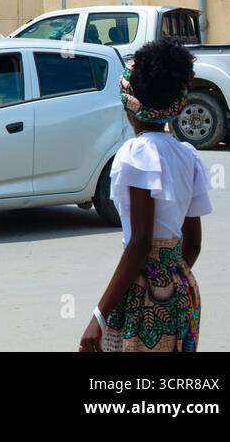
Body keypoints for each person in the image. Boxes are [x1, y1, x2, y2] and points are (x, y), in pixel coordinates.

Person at [79, 39, 211, 353]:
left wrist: (99, 315)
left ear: (129, 103)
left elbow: (139, 243)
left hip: (143, 293)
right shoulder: (187, 155)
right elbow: (192, 243)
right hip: (183, 289)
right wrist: (170, 276)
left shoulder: (135, 154)